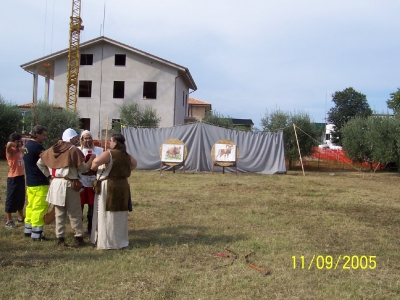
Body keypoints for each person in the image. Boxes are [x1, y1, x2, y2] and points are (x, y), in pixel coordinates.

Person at [37, 128, 96, 247]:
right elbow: (83, 168)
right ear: (71, 138)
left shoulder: (53, 149)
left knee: (59, 213)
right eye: (75, 137)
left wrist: (50, 175)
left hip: (56, 183)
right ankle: (78, 238)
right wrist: (90, 160)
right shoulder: (73, 150)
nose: (76, 139)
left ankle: (60, 238)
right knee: (75, 212)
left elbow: (40, 163)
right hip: (69, 183)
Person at [90, 133, 137, 250]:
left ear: (115, 142)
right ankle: (120, 240)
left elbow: (95, 163)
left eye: (110, 141)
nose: (109, 143)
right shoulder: (126, 155)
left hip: (109, 186)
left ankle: (108, 241)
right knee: (119, 214)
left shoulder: (109, 153)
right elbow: (134, 164)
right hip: (123, 185)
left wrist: (94, 166)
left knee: (107, 214)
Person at [23, 125, 50, 241]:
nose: (44, 137)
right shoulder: (37, 147)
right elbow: (46, 161)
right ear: (37, 134)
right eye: (43, 135)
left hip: (30, 181)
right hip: (40, 182)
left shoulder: (27, 145)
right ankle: (37, 233)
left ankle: (28, 229)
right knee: (39, 207)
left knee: (31, 206)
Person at [77, 130, 103, 234]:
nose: (87, 140)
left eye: (89, 138)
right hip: (82, 180)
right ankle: (78, 229)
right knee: (80, 206)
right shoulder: (77, 150)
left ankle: (91, 227)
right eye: (85, 138)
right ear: (82, 139)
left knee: (93, 205)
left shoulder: (99, 150)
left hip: (93, 180)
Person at [5, 133, 25, 229]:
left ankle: (20, 217)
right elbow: (9, 144)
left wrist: (21, 147)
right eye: (19, 140)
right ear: (16, 141)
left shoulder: (19, 150)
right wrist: (15, 145)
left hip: (21, 176)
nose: (21, 142)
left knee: (21, 198)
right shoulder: (10, 150)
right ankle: (8, 220)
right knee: (11, 198)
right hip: (13, 177)